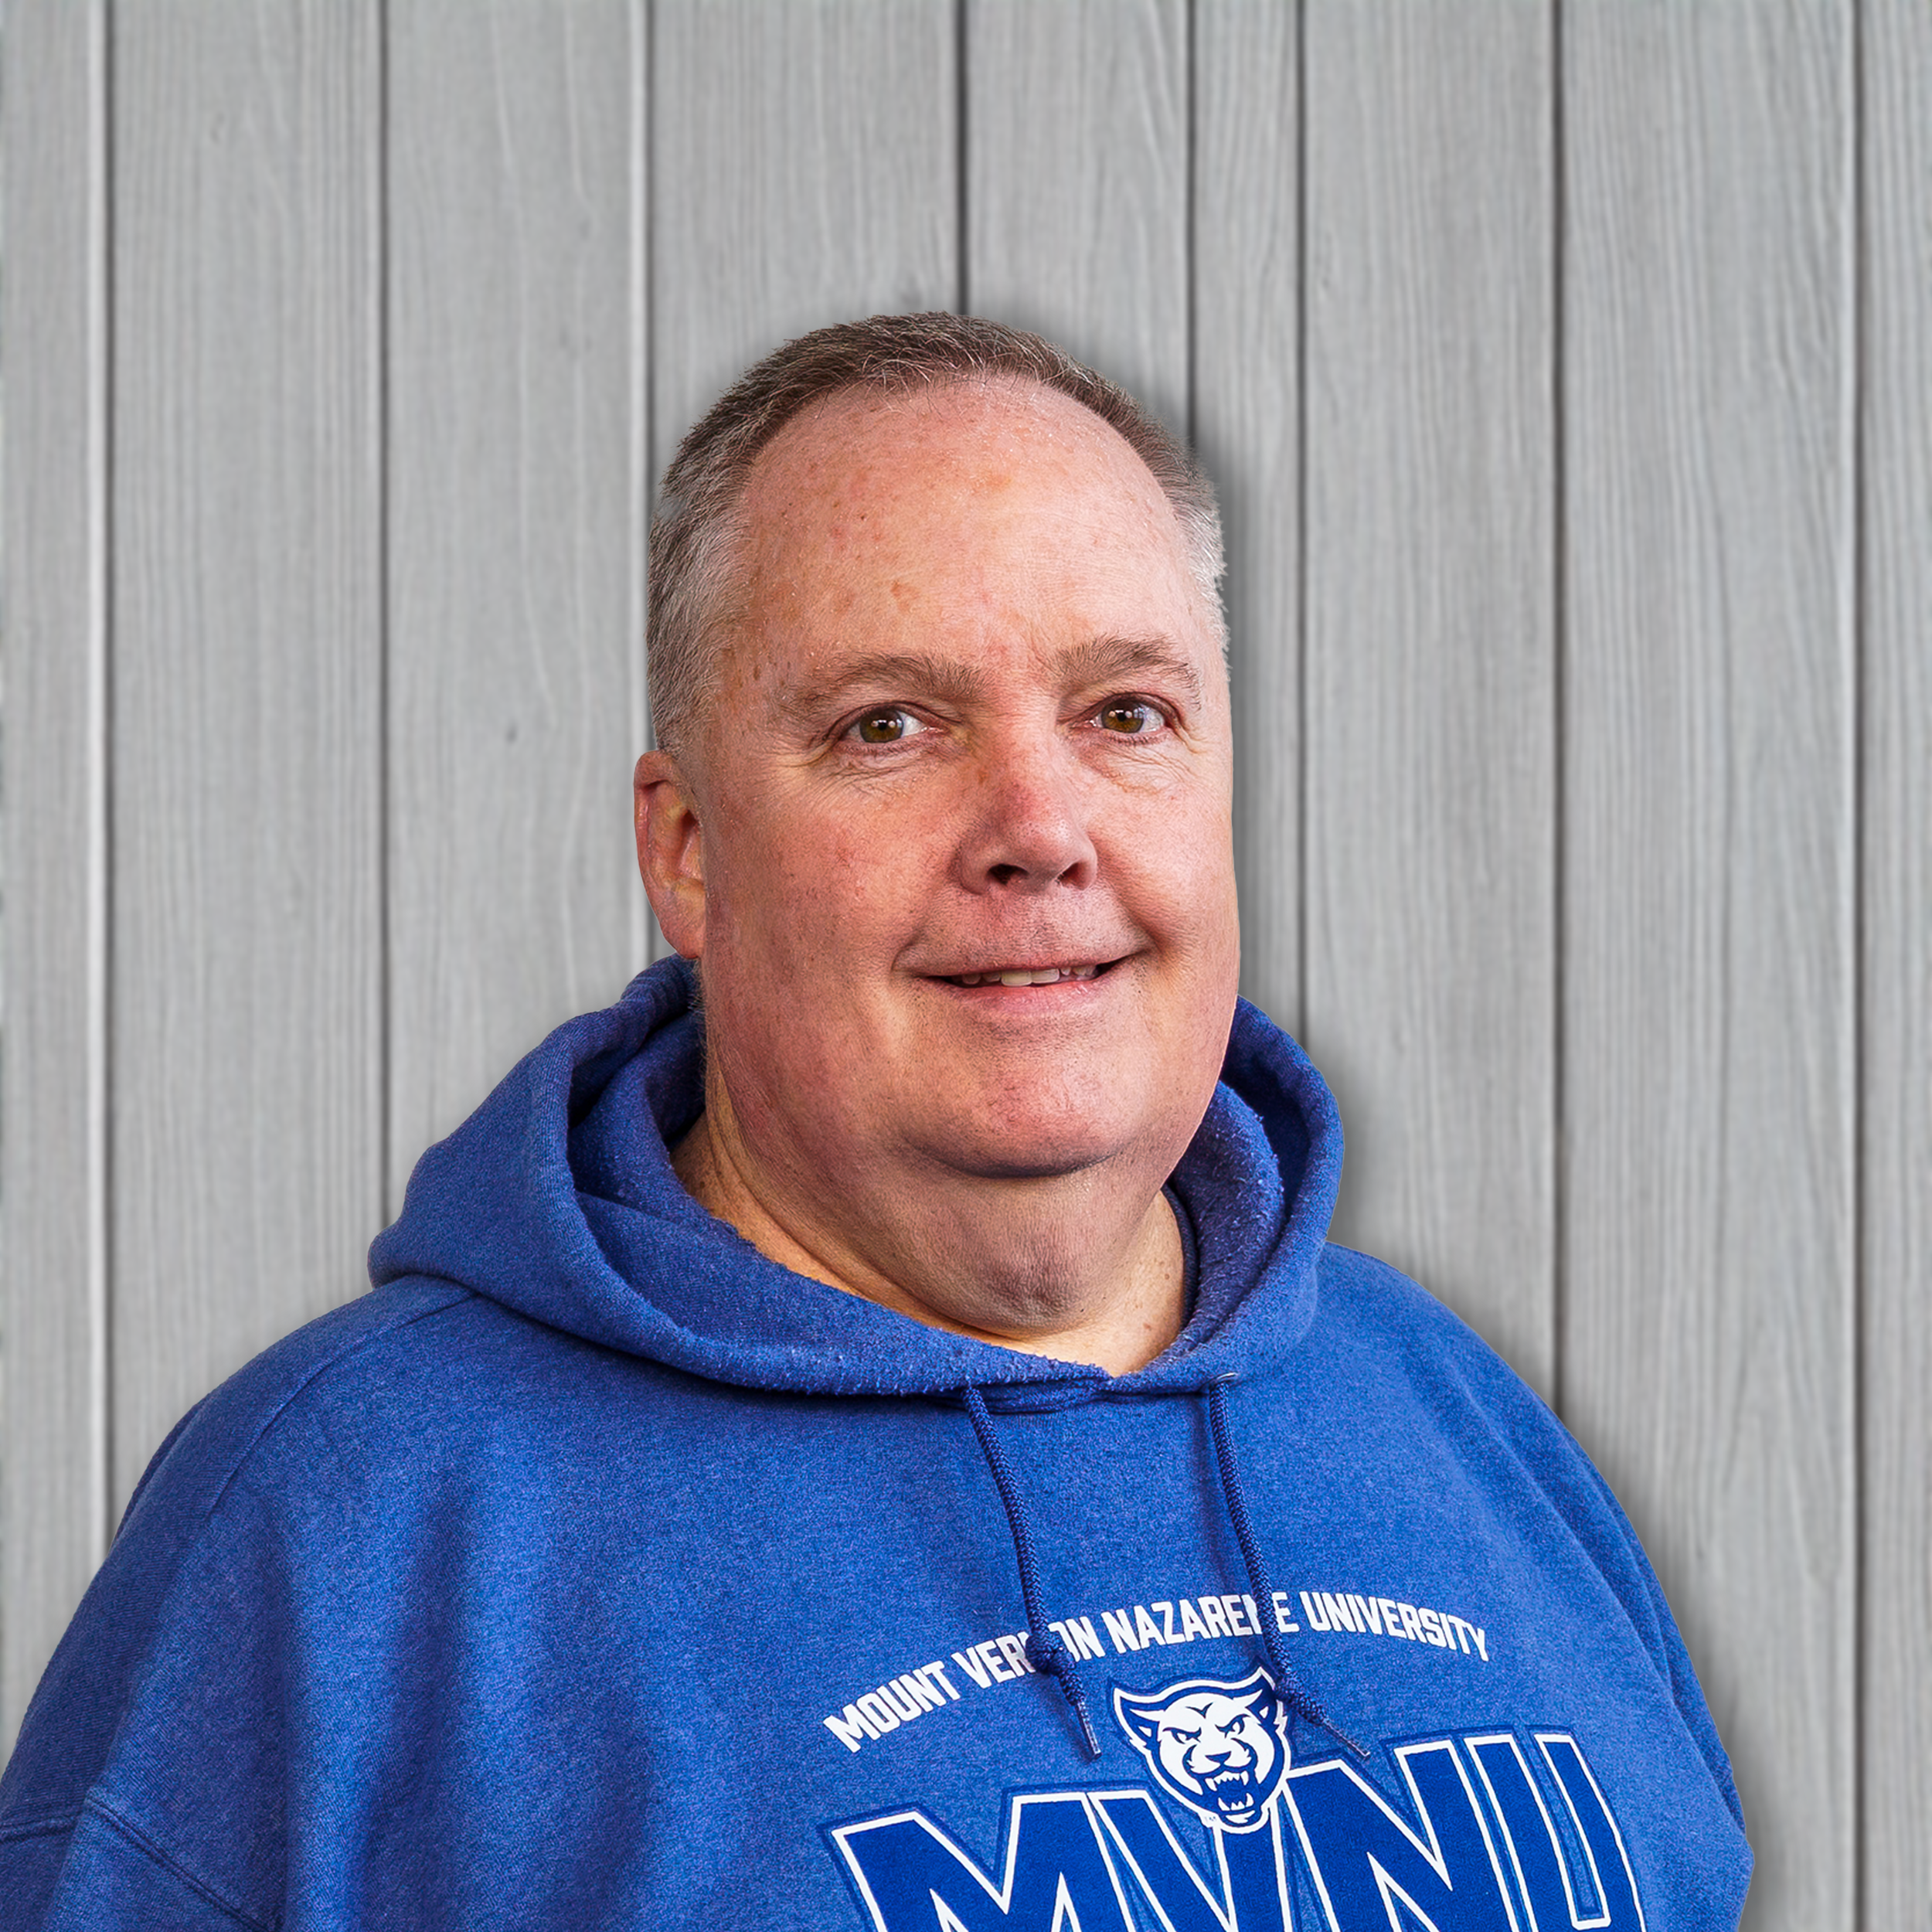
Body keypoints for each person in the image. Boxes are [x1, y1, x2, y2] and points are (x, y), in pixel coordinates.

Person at [0, 314, 1750, 1930]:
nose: (1036, 826)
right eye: (888, 724)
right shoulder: (349, 1520)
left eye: (1123, 712)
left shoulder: (1441, 1408)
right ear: (686, 848)